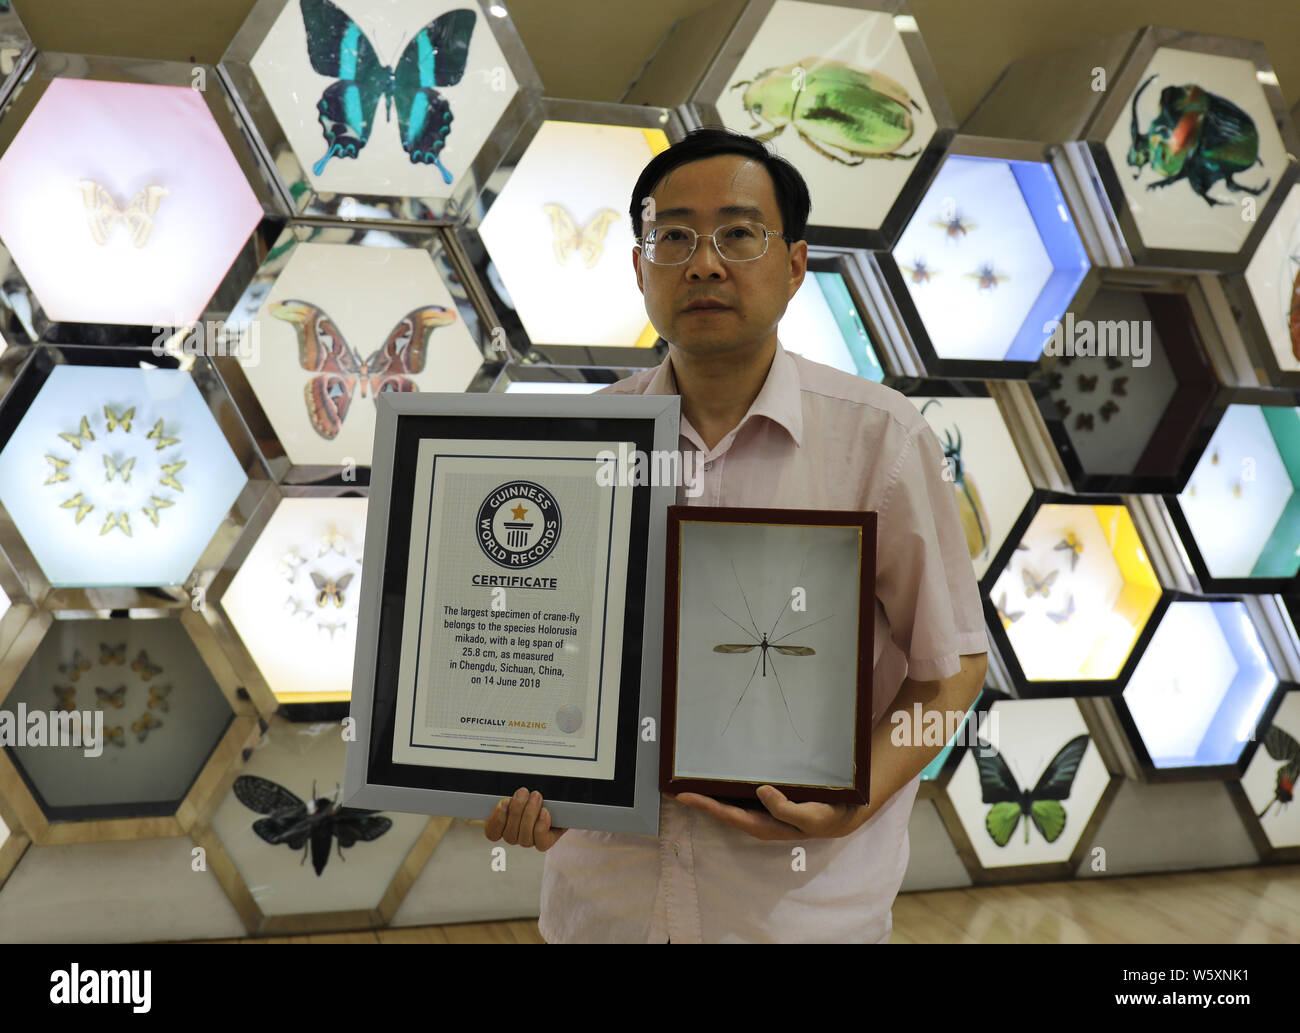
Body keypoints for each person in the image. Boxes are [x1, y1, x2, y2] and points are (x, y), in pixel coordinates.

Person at [485, 126, 988, 943]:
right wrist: (519, 775)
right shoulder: (573, 448)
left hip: (800, 914)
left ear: (794, 266)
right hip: (604, 904)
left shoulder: (882, 442)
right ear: (639, 266)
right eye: (673, 235)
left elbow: (954, 667)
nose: (705, 262)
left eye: (739, 234)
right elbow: (542, 651)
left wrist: (853, 803)